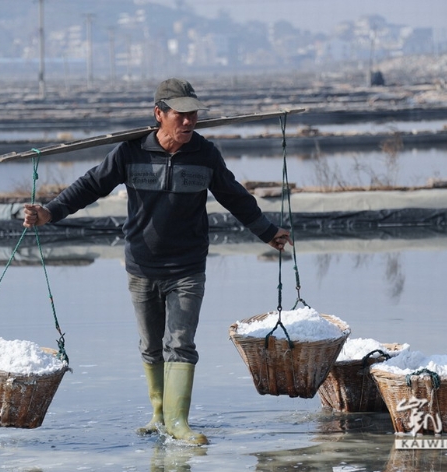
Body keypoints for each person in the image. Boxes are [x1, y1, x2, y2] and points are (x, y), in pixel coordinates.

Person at [23, 78, 292, 445]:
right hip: (141, 265)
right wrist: (49, 213)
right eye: (179, 115)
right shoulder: (130, 153)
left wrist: (267, 231)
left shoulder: (205, 154)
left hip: (187, 267)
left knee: (180, 342)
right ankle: (159, 414)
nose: (188, 122)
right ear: (159, 114)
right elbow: (90, 186)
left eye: (192, 114)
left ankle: (179, 421)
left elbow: (235, 197)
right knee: (151, 345)